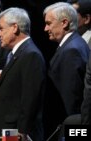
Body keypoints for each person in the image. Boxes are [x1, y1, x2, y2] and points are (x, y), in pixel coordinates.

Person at [0, 7, 46, 141]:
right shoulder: (18, 53)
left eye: (1, 29)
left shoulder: (30, 55)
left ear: (15, 27)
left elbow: (30, 98)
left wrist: (22, 132)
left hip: (15, 132)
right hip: (7, 129)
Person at [43, 2, 90, 139]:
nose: (45, 28)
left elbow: (71, 100)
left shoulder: (72, 50)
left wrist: (68, 134)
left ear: (64, 23)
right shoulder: (74, 44)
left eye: (49, 23)